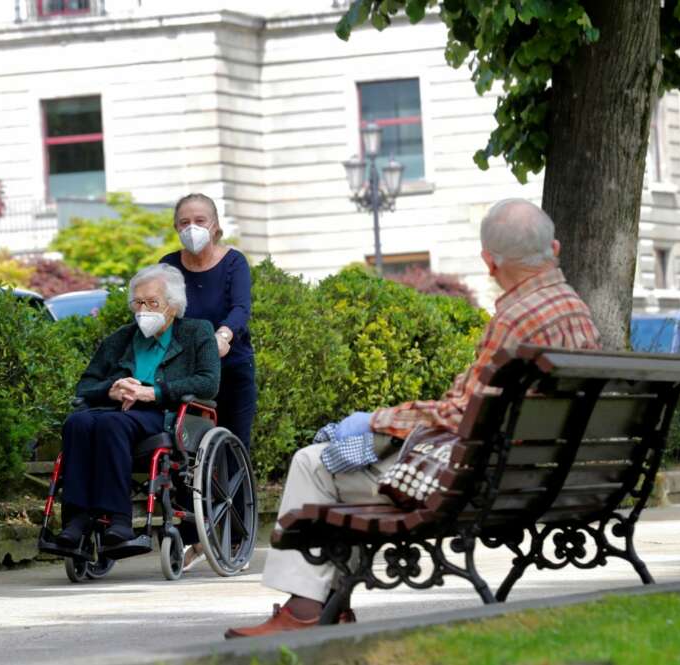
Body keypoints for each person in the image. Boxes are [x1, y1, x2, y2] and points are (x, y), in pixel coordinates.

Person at [225, 198, 602, 639]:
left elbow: (464, 413)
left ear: (489, 262)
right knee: (345, 458)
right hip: (538, 479)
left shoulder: (516, 319)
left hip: (477, 486)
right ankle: (330, 604)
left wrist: (377, 419)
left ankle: (307, 610)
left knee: (313, 462)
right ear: (553, 247)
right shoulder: (574, 309)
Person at [56, 264, 220, 550]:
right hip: (117, 411)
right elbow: (84, 386)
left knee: (111, 425)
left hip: (165, 415)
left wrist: (153, 392)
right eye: (138, 302)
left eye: (152, 302)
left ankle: (119, 520)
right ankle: (76, 519)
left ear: (173, 305)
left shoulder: (197, 332)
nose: (143, 309)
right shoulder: (120, 338)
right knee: (77, 422)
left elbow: (208, 383)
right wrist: (111, 389)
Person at [161, 194, 257, 571]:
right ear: (175, 227)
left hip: (231, 366)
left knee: (233, 453)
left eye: (199, 220)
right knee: (181, 450)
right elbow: (161, 304)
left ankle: (233, 538)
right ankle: (188, 538)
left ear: (215, 225)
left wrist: (224, 336)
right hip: (188, 371)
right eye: (184, 222)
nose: (191, 228)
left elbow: (241, 308)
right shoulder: (169, 266)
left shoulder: (233, 263)